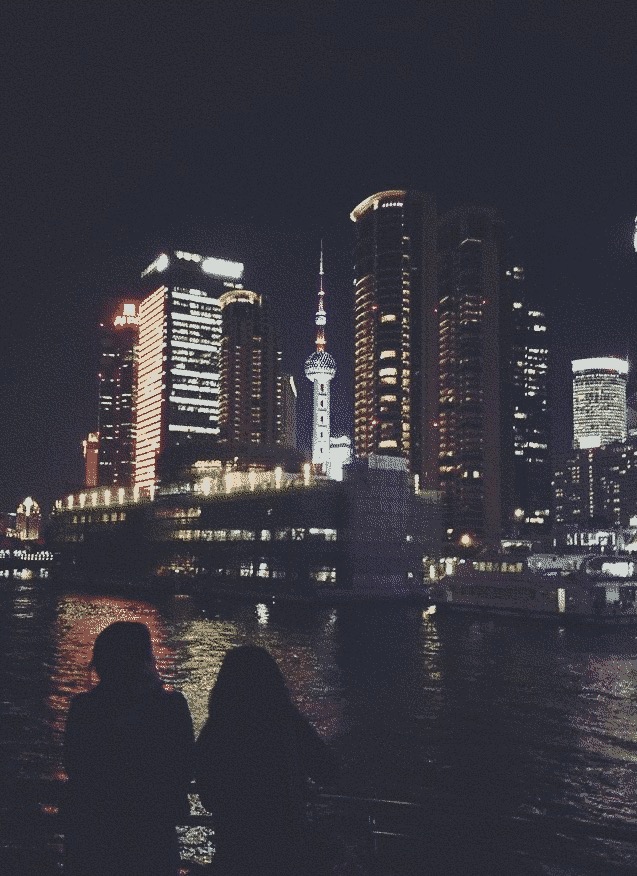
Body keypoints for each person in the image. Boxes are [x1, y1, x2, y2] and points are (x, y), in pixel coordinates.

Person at [63, 621, 194, 876]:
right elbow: (185, 766)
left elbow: (74, 764)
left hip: (93, 832)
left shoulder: (84, 708)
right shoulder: (171, 708)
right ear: (145, 659)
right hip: (152, 831)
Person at [195, 645, 336, 876]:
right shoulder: (287, 724)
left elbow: (208, 797)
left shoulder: (216, 731)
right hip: (286, 848)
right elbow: (328, 770)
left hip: (234, 851)